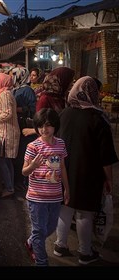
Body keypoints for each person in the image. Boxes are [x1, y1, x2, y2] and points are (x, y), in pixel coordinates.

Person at [54, 76, 118, 265]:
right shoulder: (98, 118)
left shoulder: (65, 113)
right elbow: (105, 156)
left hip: (63, 169)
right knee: (84, 213)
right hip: (87, 173)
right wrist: (109, 180)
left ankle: (60, 245)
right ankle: (84, 252)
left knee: (65, 209)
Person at [22, 108, 70, 266]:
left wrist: (66, 189)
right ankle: (41, 262)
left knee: (50, 227)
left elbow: (62, 167)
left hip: (55, 196)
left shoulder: (60, 144)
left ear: (55, 126)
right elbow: (24, 171)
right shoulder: (33, 146)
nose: (44, 129)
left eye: (48, 125)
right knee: (39, 230)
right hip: (36, 197)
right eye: (41, 125)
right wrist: (33, 166)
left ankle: (32, 241)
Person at [11, 67, 37, 191]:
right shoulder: (15, 89)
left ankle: (22, 182)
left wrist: (16, 109)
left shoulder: (27, 91)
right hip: (17, 125)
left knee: (23, 154)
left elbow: (32, 109)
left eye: (14, 75)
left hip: (24, 127)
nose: (12, 78)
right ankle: (17, 180)